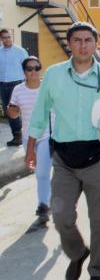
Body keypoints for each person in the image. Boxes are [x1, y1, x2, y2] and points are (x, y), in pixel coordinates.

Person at [25, 22, 100, 280]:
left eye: (88, 40)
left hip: (98, 156)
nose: (83, 45)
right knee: (61, 217)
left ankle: (96, 269)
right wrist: (31, 148)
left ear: (95, 44)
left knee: (99, 221)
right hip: (64, 158)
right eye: (77, 40)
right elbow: (40, 114)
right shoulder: (53, 75)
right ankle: (78, 253)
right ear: (69, 44)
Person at [8, 56, 52, 231]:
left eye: (36, 67)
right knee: (40, 172)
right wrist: (12, 111)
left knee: (42, 171)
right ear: (24, 71)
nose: (33, 71)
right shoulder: (18, 90)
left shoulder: (47, 87)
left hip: (48, 134)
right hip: (28, 136)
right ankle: (48, 199)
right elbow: (13, 114)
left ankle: (43, 206)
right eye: (29, 68)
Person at [0, 28, 28, 146]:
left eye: (8, 37)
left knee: (20, 110)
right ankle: (17, 135)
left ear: (12, 37)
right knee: (9, 111)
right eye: (4, 37)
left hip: (17, 84)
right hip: (3, 84)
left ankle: (25, 135)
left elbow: (28, 67)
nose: (6, 40)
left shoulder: (20, 51)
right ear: (1, 39)